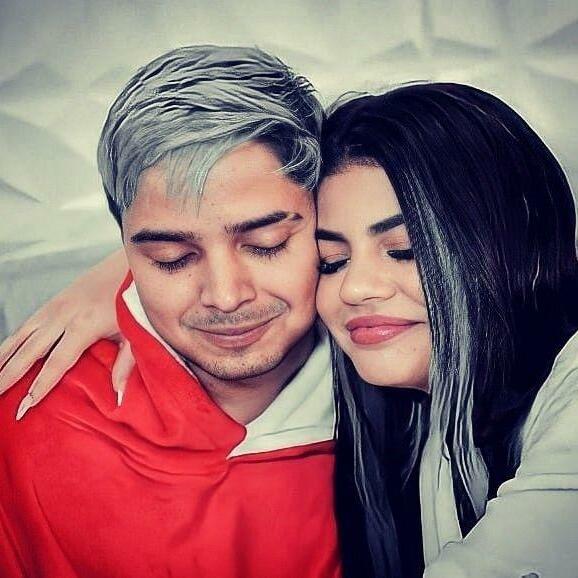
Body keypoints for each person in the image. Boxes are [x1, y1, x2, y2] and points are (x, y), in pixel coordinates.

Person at [2, 80, 578, 578]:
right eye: (333, 261)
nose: (355, 288)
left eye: (404, 249)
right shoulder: (399, 403)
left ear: (519, 236)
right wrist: (134, 280)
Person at [0, 45, 341, 578]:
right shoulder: (26, 422)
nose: (225, 296)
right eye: (172, 258)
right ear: (127, 249)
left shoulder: (410, 392)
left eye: (267, 244)